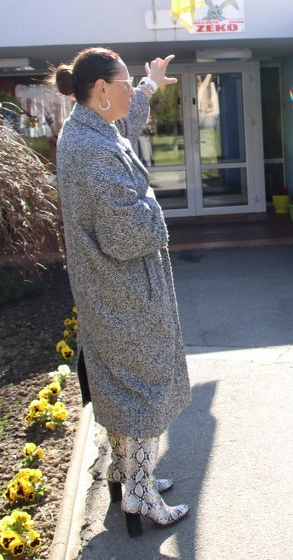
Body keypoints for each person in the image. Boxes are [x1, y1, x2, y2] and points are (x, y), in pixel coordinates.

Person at [52, 47, 191, 537]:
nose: (132, 92)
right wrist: (154, 206)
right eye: (127, 83)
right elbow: (126, 232)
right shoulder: (89, 148)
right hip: (122, 289)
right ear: (101, 89)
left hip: (113, 287)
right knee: (142, 386)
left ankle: (128, 474)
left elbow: (126, 125)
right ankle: (140, 492)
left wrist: (151, 82)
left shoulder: (90, 128)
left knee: (124, 385)